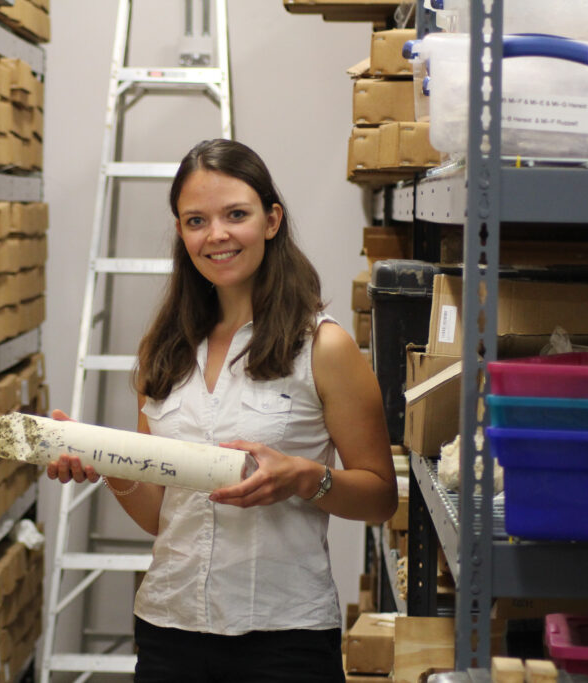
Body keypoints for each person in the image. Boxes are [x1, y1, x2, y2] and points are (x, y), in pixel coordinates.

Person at [47, 138, 396, 683]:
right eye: (196, 221)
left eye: (236, 214)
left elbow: (380, 497)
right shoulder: (161, 352)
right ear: (181, 232)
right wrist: (109, 466)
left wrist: (307, 478)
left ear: (272, 219)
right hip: (170, 630)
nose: (217, 235)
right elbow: (160, 516)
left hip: (285, 640)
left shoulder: (323, 348)